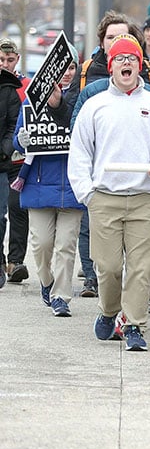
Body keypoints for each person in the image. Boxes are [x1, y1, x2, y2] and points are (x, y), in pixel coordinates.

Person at [68, 35, 150, 351]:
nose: (127, 63)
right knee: (108, 268)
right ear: (111, 66)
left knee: (141, 268)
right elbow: (79, 153)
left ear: (140, 65)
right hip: (104, 198)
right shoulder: (95, 105)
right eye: (120, 58)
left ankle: (134, 325)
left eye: (132, 58)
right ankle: (108, 311)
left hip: (144, 199)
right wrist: (87, 194)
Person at [12, 54, 83, 316]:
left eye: (72, 67)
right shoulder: (31, 101)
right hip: (39, 182)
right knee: (41, 244)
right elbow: (20, 143)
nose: (66, 72)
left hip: (71, 183)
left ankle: (61, 297)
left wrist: (59, 105)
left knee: (66, 245)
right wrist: (21, 140)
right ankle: (46, 281)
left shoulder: (80, 99)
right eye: (61, 68)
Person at [0, 37, 27, 285]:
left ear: (17, 59)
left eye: (9, 59)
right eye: (1, 60)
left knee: (18, 209)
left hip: (18, 160)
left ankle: (16, 261)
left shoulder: (25, 85)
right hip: (3, 156)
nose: (6, 64)